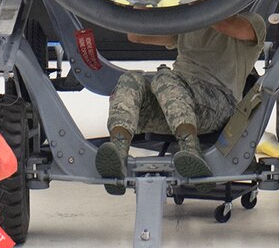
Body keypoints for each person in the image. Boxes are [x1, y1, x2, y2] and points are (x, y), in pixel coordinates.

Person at [93, 13, 266, 189]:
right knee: (130, 79)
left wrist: (194, 6)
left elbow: (226, 25)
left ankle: (191, 151)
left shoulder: (253, 23)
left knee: (164, 78)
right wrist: (142, 1)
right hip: (176, 102)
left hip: (218, 102)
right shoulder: (190, 23)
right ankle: (118, 153)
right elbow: (136, 36)